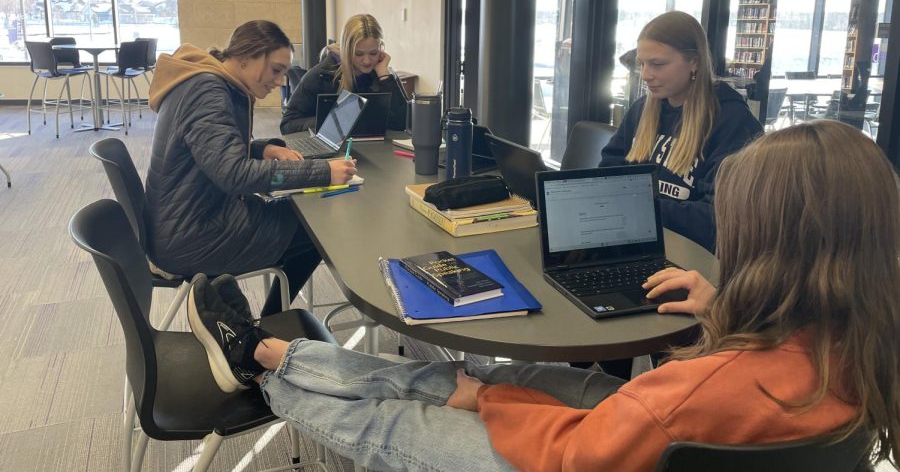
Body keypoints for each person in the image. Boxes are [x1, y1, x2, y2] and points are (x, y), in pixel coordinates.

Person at [187, 120, 899, 471]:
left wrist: (487, 402)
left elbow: (575, 454)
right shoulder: (864, 347)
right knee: (481, 375)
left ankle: (257, 368)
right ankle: (286, 353)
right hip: (661, 437)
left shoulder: (693, 392)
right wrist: (721, 314)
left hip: (586, 460)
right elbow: (713, 397)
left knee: (397, 421)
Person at [145, 20, 357, 316]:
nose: (282, 81)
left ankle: (272, 312)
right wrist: (324, 171)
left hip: (183, 222)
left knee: (295, 213)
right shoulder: (209, 92)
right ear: (245, 57)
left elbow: (210, 152)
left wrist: (260, 148)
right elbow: (235, 175)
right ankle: (272, 321)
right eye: (276, 69)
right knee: (314, 226)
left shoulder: (205, 81)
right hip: (193, 236)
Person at [601, 11, 763, 253]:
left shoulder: (732, 122)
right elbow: (608, 174)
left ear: (694, 62)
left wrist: (636, 207)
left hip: (693, 259)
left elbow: (718, 219)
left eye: (657, 64)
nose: (645, 75)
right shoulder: (642, 110)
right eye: (642, 63)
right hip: (636, 241)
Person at [280, 13, 408, 134]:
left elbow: (403, 123)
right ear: (346, 49)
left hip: (373, 148)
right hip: (333, 151)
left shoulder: (381, 73)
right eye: (359, 54)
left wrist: (384, 76)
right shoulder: (320, 76)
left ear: (381, 48)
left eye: (373, 53)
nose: (367, 61)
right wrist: (329, 121)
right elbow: (287, 124)